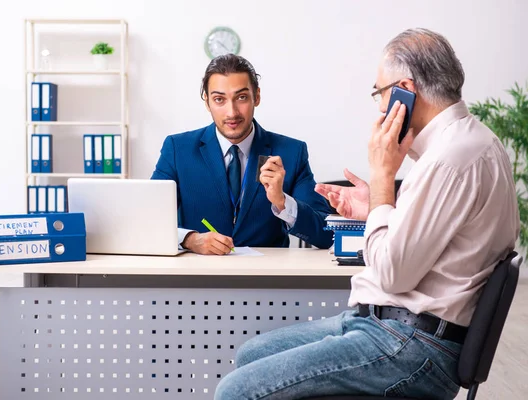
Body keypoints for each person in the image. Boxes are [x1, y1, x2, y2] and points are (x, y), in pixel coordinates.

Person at [214, 28, 519, 400]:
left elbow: (392, 273)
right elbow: (433, 233)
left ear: (405, 89)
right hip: (389, 325)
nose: (379, 107)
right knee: (252, 353)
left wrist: (382, 176)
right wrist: (376, 203)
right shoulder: (469, 143)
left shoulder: (449, 159)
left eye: (380, 93)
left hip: (410, 345)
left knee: (235, 391)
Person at [151, 54, 334, 255]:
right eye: (219, 99)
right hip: (198, 277)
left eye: (241, 97)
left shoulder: (291, 152)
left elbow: (326, 235)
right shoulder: (178, 149)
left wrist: (282, 201)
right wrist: (189, 240)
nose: (232, 112)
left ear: (257, 96)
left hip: (267, 280)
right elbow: (149, 219)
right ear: (207, 102)